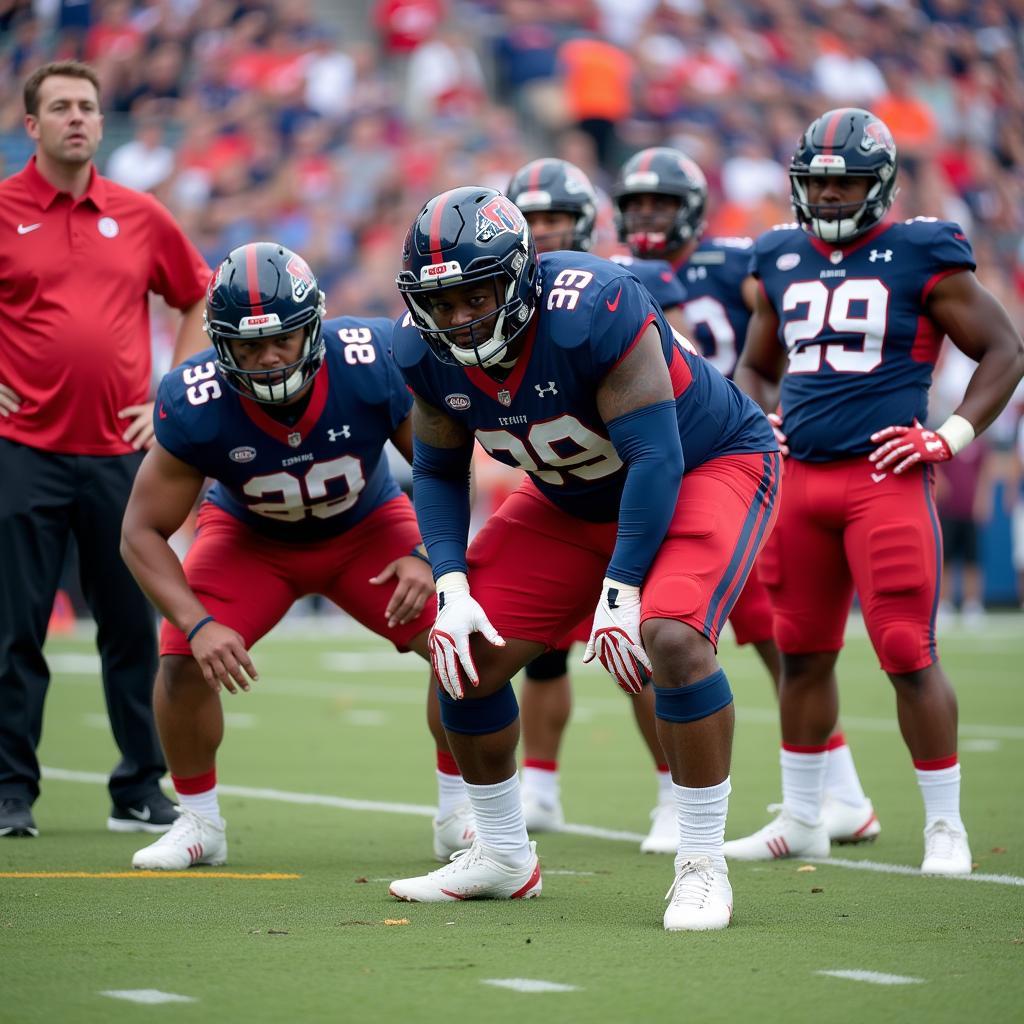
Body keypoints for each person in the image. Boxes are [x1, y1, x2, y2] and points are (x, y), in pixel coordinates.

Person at [387, 186, 780, 931]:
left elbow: (656, 457)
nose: (460, 316)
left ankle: (701, 864)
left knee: (671, 637)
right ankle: (503, 856)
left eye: (477, 293)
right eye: (440, 301)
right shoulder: (420, 348)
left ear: (520, 276)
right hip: (571, 494)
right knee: (467, 653)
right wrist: (450, 581)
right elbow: (438, 470)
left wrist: (622, 586)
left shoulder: (593, 305)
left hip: (704, 466)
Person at [729, 108, 1024, 874]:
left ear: (880, 184)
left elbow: (1004, 347)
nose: (828, 198)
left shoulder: (920, 250)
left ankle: (945, 826)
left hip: (882, 479)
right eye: (817, 183)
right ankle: (802, 816)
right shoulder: (778, 257)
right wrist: (759, 416)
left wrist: (950, 435)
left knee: (905, 650)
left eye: (846, 183)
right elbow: (757, 367)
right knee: (800, 653)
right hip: (800, 483)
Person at [121, 242, 474, 870]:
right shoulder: (195, 398)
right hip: (250, 540)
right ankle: (199, 822)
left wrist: (425, 553)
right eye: (248, 346)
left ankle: (458, 812)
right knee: (178, 662)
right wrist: (197, 626)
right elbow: (141, 531)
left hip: (368, 529)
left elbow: (441, 466)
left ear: (314, 324)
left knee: (461, 642)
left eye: (282, 338)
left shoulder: (370, 360)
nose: (268, 357)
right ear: (220, 346)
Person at [612, 145, 879, 846]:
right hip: (665, 460)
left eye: (661, 204)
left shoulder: (740, 261)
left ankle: (838, 792)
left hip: (732, 457)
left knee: (774, 632)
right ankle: (684, 794)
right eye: (637, 205)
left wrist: (780, 410)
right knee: (664, 632)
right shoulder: (618, 278)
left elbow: (796, 335)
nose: (647, 216)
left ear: (693, 208)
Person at [0, 61, 210, 839]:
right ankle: (10, 791)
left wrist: (174, 389)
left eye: (87, 106)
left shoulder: (140, 213)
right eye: (60, 107)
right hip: (22, 448)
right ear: (32, 124)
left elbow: (196, 294)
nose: (78, 118)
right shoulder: (3, 208)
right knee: (15, 628)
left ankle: (139, 786)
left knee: (130, 626)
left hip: (123, 450)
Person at [505, 156, 687, 850]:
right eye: (531, 220)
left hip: (630, 476)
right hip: (557, 478)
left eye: (555, 219)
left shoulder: (615, 285)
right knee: (542, 649)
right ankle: (539, 787)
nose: (544, 232)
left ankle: (674, 790)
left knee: (640, 642)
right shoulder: (500, 294)